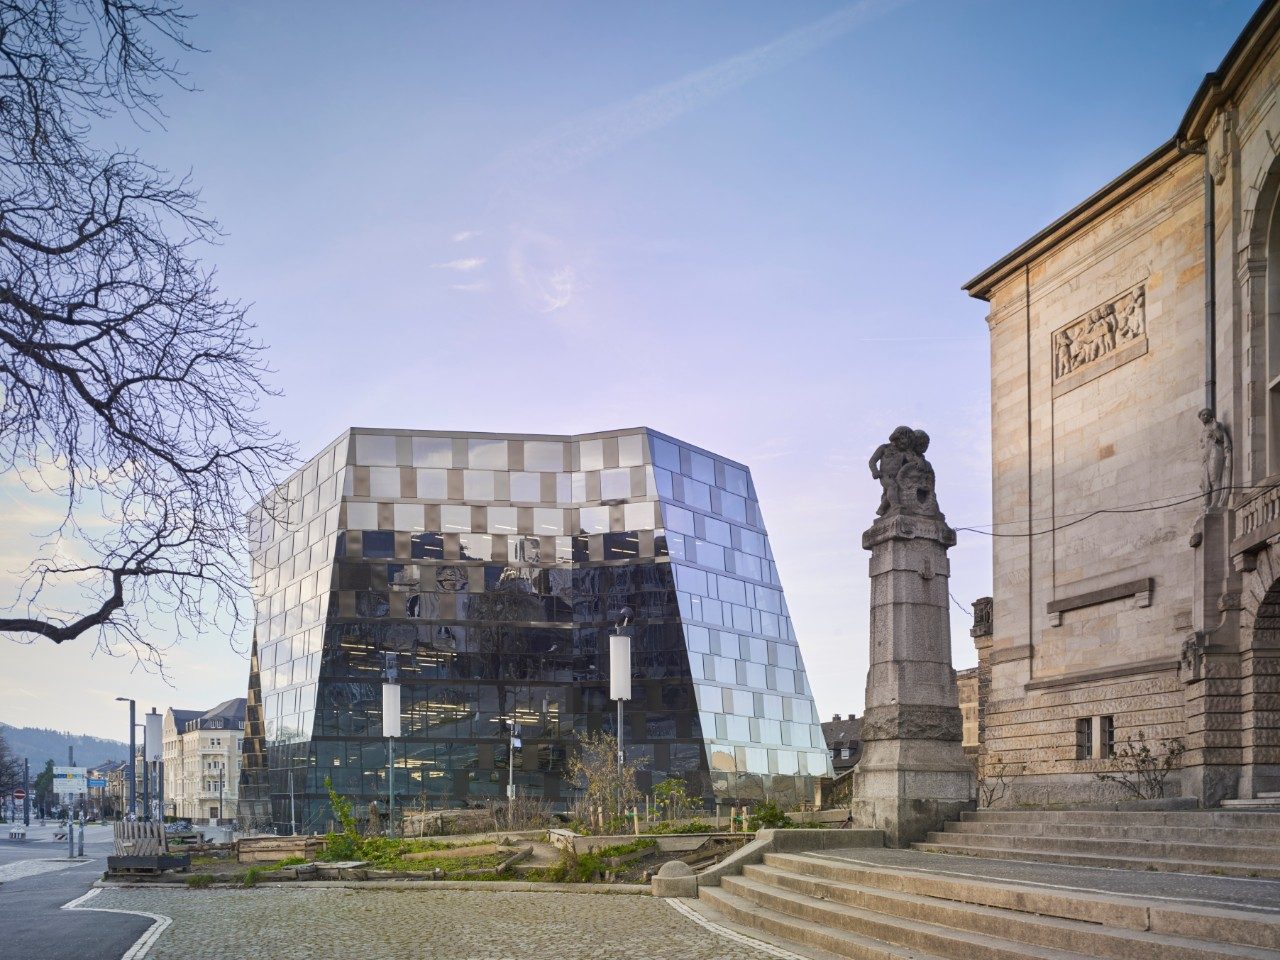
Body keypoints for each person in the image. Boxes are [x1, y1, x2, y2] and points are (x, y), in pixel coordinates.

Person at [868, 426, 914, 516]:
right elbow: (872, 461)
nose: (906, 442)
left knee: (889, 492)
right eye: (904, 439)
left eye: (908, 441)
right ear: (897, 437)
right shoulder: (884, 448)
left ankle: (881, 509)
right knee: (893, 486)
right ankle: (895, 506)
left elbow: (911, 462)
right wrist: (875, 471)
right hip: (884, 475)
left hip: (897, 477)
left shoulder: (904, 453)